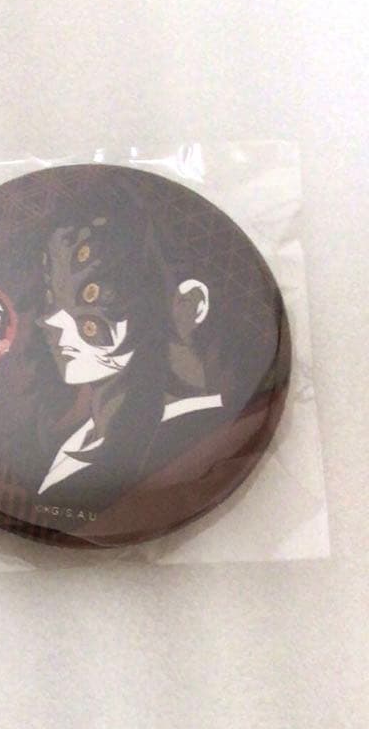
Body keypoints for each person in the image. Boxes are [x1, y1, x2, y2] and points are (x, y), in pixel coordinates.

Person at [30, 178, 275, 512]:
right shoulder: (84, 439)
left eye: (98, 294)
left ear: (190, 304)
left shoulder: (199, 433)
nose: (50, 322)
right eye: (52, 296)